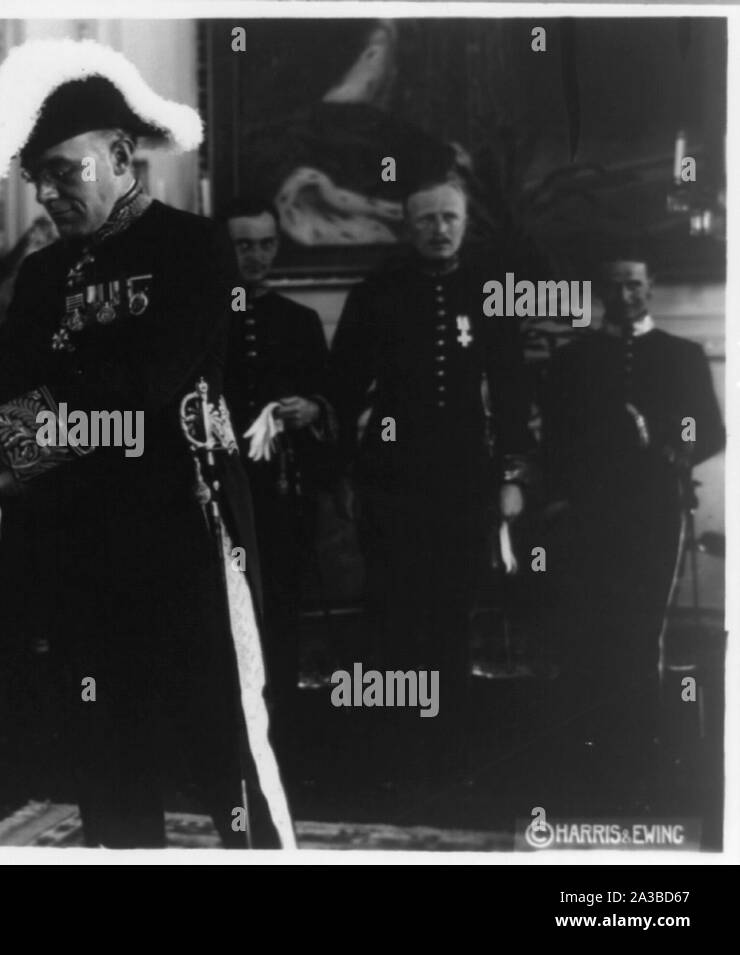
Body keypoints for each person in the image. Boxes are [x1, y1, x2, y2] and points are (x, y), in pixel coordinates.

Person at [0, 39, 295, 849]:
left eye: (65, 172)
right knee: (107, 749)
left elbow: (141, 387)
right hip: (78, 541)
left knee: (226, 745)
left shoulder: (194, 249)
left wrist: (1, 431)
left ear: (121, 154)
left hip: (183, 531)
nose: (49, 194)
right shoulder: (41, 277)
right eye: (38, 178)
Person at [327, 178, 532, 781]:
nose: (439, 230)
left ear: (465, 222)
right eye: (426, 220)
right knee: (393, 610)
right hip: (392, 480)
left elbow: (515, 390)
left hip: (467, 479)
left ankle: (451, 743)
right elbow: (342, 386)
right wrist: (344, 473)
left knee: (452, 610)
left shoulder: (492, 294)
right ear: (406, 225)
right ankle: (395, 747)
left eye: (449, 218)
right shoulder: (376, 294)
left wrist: (513, 475)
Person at [541, 250, 724, 804]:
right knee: (591, 624)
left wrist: (675, 447)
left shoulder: (682, 356)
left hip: (653, 510)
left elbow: (705, 428)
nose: (626, 297)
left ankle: (643, 753)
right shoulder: (575, 359)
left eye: (636, 286)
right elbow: (556, 436)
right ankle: (590, 751)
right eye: (616, 286)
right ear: (602, 290)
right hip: (588, 512)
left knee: (643, 628)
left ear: (652, 288)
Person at [220, 197, 334, 699]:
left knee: (283, 605)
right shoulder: (200, 323)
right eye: (244, 245)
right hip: (221, 492)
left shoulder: (300, 320)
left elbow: (329, 396)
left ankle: (284, 717)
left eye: (267, 244)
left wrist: (311, 409)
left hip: (283, 492)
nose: (257, 256)